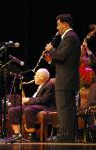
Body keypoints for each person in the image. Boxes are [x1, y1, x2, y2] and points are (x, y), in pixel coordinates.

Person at [45, 14, 81, 142]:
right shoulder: (69, 37)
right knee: (64, 108)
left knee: (64, 109)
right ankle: (65, 135)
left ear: (65, 24)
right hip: (66, 79)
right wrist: (51, 60)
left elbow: (62, 55)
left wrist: (51, 49)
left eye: (58, 24)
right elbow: (64, 60)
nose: (57, 27)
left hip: (66, 80)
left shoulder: (70, 37)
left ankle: (65, 136)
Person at [8, 68, 55, 142]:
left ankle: (32, 134)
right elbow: (36, 99)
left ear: (42, 77)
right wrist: (27, 101)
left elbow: (43, 100)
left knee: (29, 109)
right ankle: (17, 135)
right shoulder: (40, 86)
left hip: (46, 107)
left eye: (36, 75)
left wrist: (29, 100)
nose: (34, 77)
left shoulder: (50, 85)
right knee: (12, 110)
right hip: (36, 106)